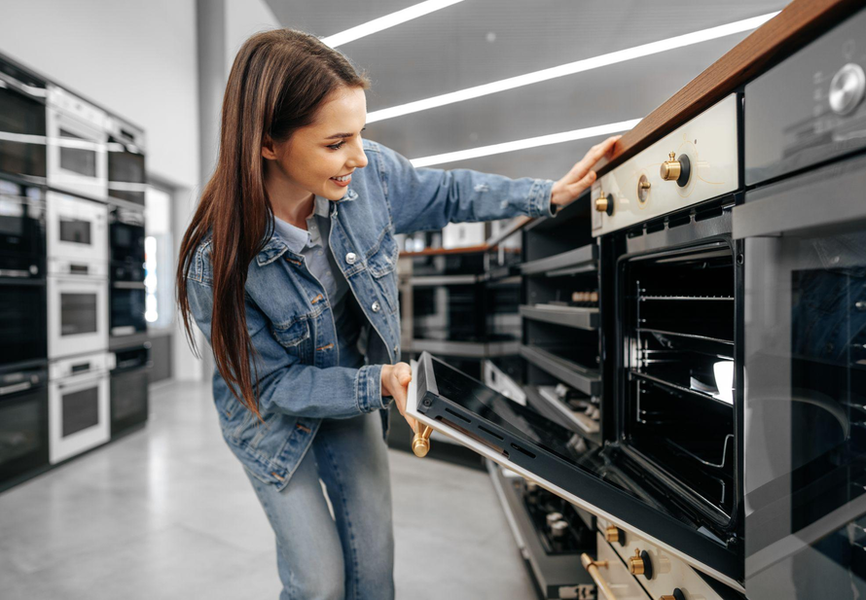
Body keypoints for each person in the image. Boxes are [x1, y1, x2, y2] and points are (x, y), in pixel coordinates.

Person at [176, 28, 619, 600]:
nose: (359, 157)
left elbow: (450, 193)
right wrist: (380, 382)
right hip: (271, 418)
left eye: (361, 134)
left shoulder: (370, 176)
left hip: (352, 388)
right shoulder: (216, 262)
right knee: (318, 583)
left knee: (374, 572)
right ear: (267, 143)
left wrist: (546, 196)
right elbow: (275, 384)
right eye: (336, 143)